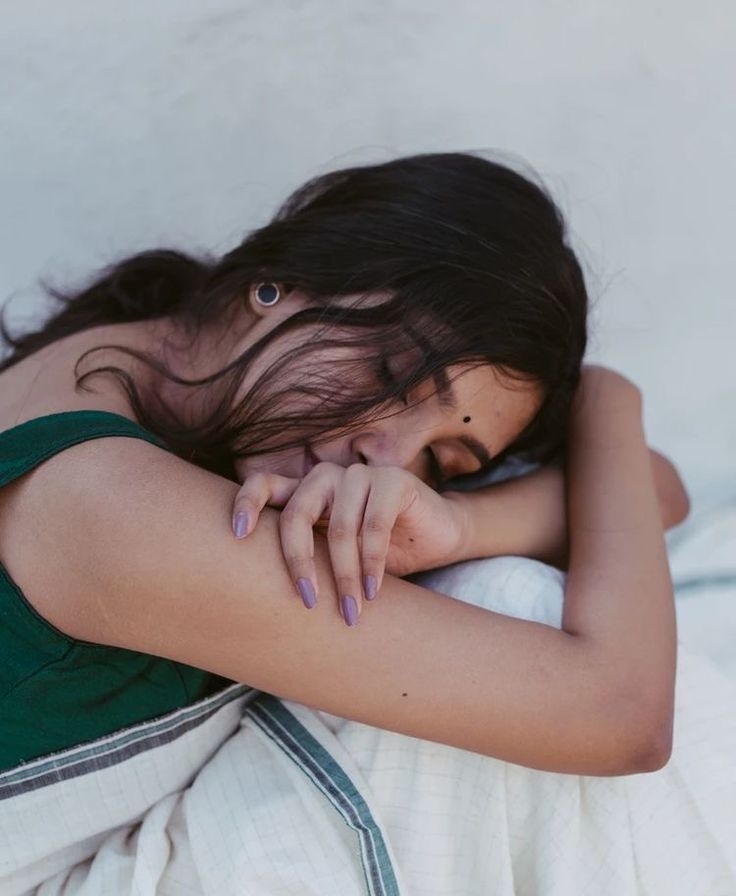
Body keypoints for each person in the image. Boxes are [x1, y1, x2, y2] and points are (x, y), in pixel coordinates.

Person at [0, 151, 688, 774]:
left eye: (442, 459)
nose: (387, 459)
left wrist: (463, 524)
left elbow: (658, 490)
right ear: (283, 281)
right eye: (392, 374)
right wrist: (608, 398)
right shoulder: (118, 507)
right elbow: (619, 715)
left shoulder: (126, 369)